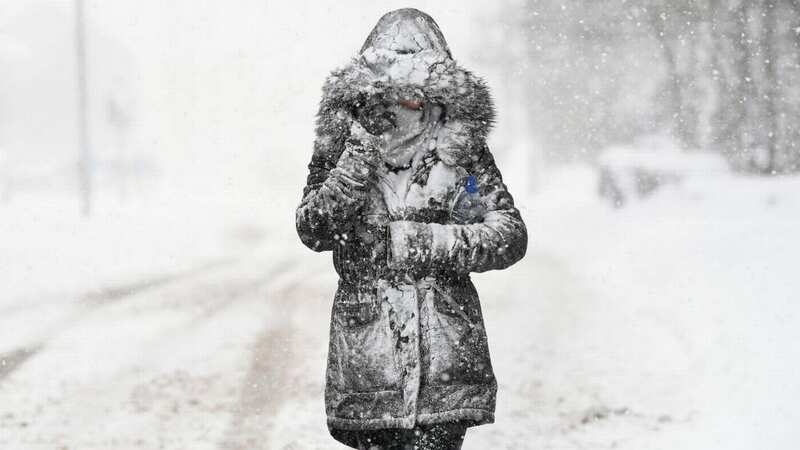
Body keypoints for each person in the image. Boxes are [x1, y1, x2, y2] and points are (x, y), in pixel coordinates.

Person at [295, 8, 527, 449]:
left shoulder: (461, 151)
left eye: (422, 87)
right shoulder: (343, 145)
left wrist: (426, 242)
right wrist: (356, 156)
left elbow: (508, 235)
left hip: (445, 359)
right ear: (372, 88)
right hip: (368, 362)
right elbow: (314, 228)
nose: (410, 100)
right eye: (398, 88)